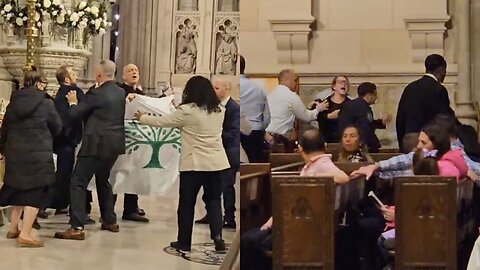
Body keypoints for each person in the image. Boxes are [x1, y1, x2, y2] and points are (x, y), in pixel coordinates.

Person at [134, 76, 229, 253]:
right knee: (214, 201)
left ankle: (184, 242)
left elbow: (163, 122)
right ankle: (218, 237)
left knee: (186, 204)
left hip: (193, 164)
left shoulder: (187, 111)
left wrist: (142, 118)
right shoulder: (219, 110)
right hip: (216, 164)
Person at [241, 128, 349, 269]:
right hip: (303, 225)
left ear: (300, 149)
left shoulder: (321, 165)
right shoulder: (317, 164)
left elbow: (343, 178)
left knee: (248, 240)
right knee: (252, 237)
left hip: (301, 230)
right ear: (325, 146)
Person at [377, 123, 468, 269]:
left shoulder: (442, 170)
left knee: (382, 241)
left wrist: (398, 217)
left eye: (423, 142)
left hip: (433, 230)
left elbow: (430, 208)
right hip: (442, 226)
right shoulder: (446, 163)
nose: (418, 146)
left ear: (436, 144)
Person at [54, 60, 125, 240]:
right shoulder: (120, 92)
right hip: (114, 144)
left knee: (77, 181)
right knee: (103, 179)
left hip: (95, 143)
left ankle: (77, 227)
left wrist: (72, 102)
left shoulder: (96, 93)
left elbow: (75, 114)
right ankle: (109, 220)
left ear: (99, 75)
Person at [0, 67, 62, 247]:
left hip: (15, 152)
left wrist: (3, 150)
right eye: (43, 83)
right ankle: (25, 234)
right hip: (38, 154)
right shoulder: (46, 103)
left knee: (16, 190)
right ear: (38, 83)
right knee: (35, 195)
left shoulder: (13, 101)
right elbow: (57, 127)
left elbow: (4, 129)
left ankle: (13, 228)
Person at [351, 114, 480, 183]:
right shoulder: (445, 156)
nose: (418, 146)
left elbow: (408, 164)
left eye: (423, 142)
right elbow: (406, 163)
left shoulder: (450, 156)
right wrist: (377, 168)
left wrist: (377, 167)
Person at [196, 79, 239, 229]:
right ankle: (212, 214)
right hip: (213, 152)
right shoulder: (213, 107)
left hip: (228, 153)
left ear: (226, 89)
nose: (213, 90)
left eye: (216, 88)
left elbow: (234, 133)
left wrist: (215, 134)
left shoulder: (234, 108)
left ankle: (229, 218)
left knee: (227, 186)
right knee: (211, 186)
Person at [396, 54, 456, 152]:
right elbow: (444, 118)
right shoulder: (438, 89)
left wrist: (402, 143)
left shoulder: (410, 88)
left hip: (409, 140)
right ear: (441, 69)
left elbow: (400, 118)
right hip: (428, 141)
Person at [115, 63, 149, 223]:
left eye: (136, 70)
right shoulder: (119, 91)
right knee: (116, 173)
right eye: (130, 70)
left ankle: (131, 207)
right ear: (123, 76)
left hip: (137, 141)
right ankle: (108, 210)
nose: (134, 72)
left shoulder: (141, 94)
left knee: (134, 173)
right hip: (121, 139)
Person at [51, 65, 85, 216]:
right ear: (66, 79)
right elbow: (80, 113)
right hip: (70, 138)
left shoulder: (57, 95)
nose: (75, 75)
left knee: (61, 172)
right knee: (69, 174)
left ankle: (60, 202)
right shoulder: (75, 92)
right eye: (73, 73)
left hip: (57, 138)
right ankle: (65, 203)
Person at [265, 69, 327, 152]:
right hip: (281, 139)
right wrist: (318, 109)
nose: (296, 83)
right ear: (286, 80)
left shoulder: (270, 95)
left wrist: (307, 107)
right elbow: (307, 117)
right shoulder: (291, 96)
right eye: (294, 80)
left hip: (268, 136)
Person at [337, 82, 391, 153]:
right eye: (375, 94)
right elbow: (365, 128)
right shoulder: (361, 107)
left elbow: (368, 123)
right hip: (359, 147)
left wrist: (381, 122)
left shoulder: (358, 105)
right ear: (368, 95)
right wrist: (373, 145)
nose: (376, 97)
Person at [239, 55, 270, 162]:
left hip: (236, 134)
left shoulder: (232, 86)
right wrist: (261, 129)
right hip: (255, 133)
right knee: (255, 168)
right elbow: (267, 117)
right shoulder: (258, 88)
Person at [316, 75, 352, 143]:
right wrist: (328, 116)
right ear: (334, 86)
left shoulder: (351, 104)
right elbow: (318, 119)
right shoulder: (325, 103)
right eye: (340, 82)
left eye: (346, 83)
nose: (344, 84)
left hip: (344, 141)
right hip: (326, 140)